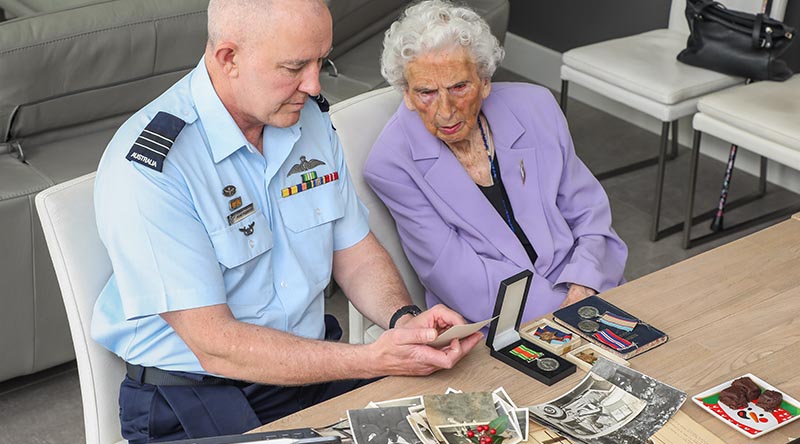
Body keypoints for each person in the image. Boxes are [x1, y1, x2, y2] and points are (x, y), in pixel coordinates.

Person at [92, 0, 481, 442]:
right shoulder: (154, 166)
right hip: (198, 398)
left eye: (321, 61)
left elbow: (353, 251)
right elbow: (215, 344)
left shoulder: (306, 116)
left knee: (460, 419)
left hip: (311, 372)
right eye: (294, 67)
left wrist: (404, 320)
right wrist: (372, 359)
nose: (313, 84)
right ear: (228, 58)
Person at [363, 0, 627, 326]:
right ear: (406, 93)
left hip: (587, 290)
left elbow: (589, 214)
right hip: (499, 322)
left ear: (485, 81)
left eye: (459, 87)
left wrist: (584, 283)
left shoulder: (536, 108)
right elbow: (460, 279)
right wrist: (565, 317)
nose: (445, 111)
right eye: (426, 92)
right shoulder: (392, 164)